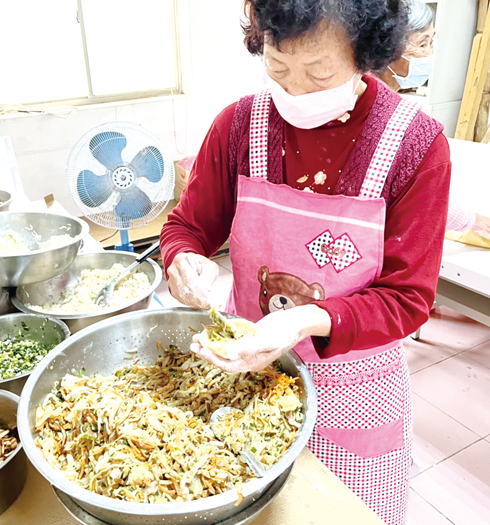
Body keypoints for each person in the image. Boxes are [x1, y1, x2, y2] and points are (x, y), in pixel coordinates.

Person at [160, 1, 448, 523]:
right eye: (277, 66)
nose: (294, 90)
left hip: (356, 387)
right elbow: (187, 227)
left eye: (320, 72)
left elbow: (408, 299)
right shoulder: (240, 126)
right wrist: (183, 260)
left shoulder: (414, 145)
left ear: (366, 54)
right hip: (250, 373)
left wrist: (304, 320)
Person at [380, 0, 490, 248]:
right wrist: (473, 221)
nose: (431, 53)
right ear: (387, 49)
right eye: (422, 44)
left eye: (432, 41)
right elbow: (420, 197)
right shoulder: (391, 116)